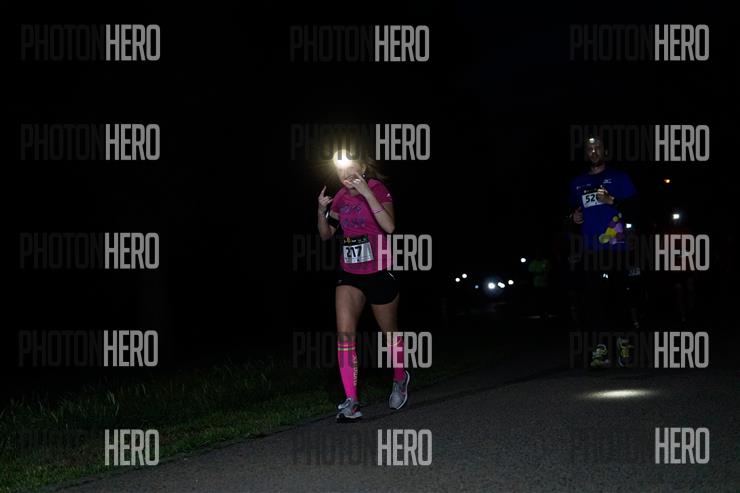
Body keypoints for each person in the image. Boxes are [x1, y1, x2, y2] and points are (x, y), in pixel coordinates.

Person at [317, 153, 409, 421]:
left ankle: (400, 377)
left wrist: (367, 193)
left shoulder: (378, 189)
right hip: (349, 273)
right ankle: (352, 402)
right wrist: (320, 212)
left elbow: (389, 227)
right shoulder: (340, 197)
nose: (345, 174)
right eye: (340, 170)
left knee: (389, 333)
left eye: (350, 168)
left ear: (363, 168)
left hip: (380, 271)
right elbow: (326, 234)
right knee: (345, 336)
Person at [568, 137, 639, 368]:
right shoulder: (577, 182)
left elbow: (636, 209)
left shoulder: (619, 177)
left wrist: (612, 200)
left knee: (619, 295)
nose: (594, 151)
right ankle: (600, 347)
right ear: (585, 153)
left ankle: (623, 341)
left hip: (617, 246)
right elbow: (570, 212)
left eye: (597, 147)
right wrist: (573, 217)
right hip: (591, 249)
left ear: (605, 151)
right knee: (593, 299)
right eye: (589, 149)